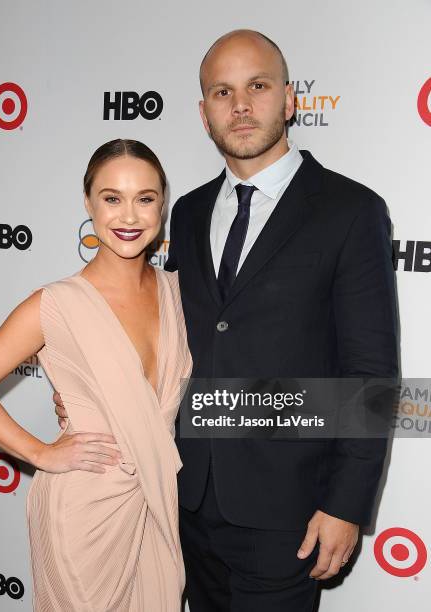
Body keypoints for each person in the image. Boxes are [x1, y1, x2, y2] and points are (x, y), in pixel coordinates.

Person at [54, 30, 399, 611]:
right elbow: (163, 340)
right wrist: (91, 396)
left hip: (287, 514)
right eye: (222, 92)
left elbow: (371, 373)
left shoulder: (351, 210)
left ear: (290, 100)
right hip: (183, 499)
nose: (240, 106)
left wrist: (346, 504)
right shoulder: (185, 213)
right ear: (203, 112)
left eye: (257, 86)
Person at [0, 139, 192, 611]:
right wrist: (41, 453)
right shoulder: (56, 304)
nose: (129, 216)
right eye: (111, 198)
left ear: (163, 204)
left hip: (157, 504)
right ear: (88, 203)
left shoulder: (179, 292)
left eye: (145, 199)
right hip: (84, 513)